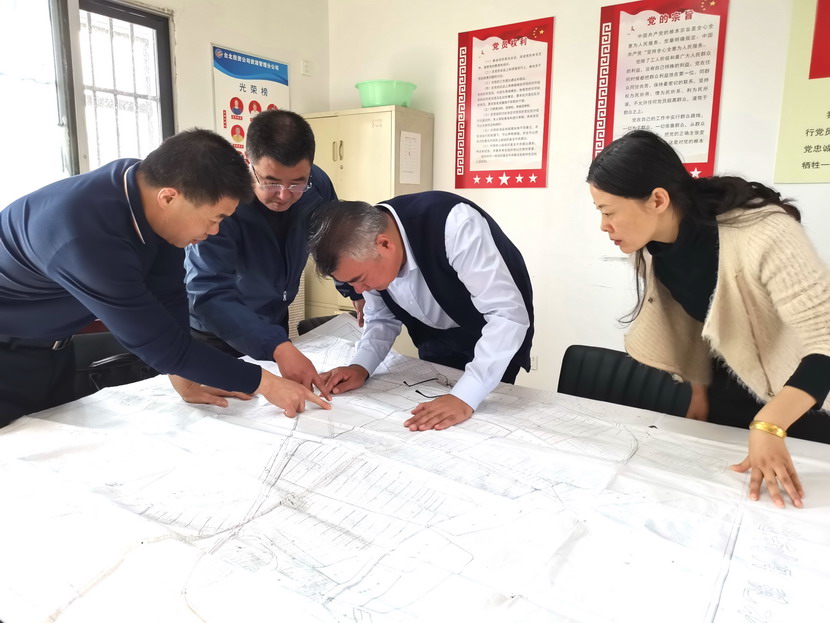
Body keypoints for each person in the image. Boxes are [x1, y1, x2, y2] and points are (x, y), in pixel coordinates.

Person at [0, 129, 329, 425]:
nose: (215, 231)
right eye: (214, 219)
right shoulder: (86, 238)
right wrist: (265, 383)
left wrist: (184, 379)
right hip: (9, 352)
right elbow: (162, 348)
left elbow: (170, 294)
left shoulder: (144, 194)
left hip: (52, 349)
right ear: (170, 198)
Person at [587, 129, 830, 509]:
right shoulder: (652, 248)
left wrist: (770, 424)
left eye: (608, 212)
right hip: (729, 390)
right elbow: (701, 321)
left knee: (794, 510)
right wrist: (699, 390)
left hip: (804, 396)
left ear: (657, 200)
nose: (604, 225)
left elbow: (825, 339)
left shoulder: (764, 231)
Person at [308, 191, 534, 432]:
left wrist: (465, 396)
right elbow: (381, 317)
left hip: (491, 337)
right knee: (437, 426)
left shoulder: (455, 224)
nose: (358, 291)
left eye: (360, 279)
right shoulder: (364, 247)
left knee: (481, 425)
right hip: (434, 338)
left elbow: (506, 315)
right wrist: (360, 366)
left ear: (385, 244)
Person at [185, 110, 361, 398]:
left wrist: (354, 290)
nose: (284, 194)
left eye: (297, 183)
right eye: (271, 181)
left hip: (272, 322)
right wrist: (278, 347)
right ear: (248, 161)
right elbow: (208, 291)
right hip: (215, 332)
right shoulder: (221, 201)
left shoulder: (317, 185)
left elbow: (332, 242)